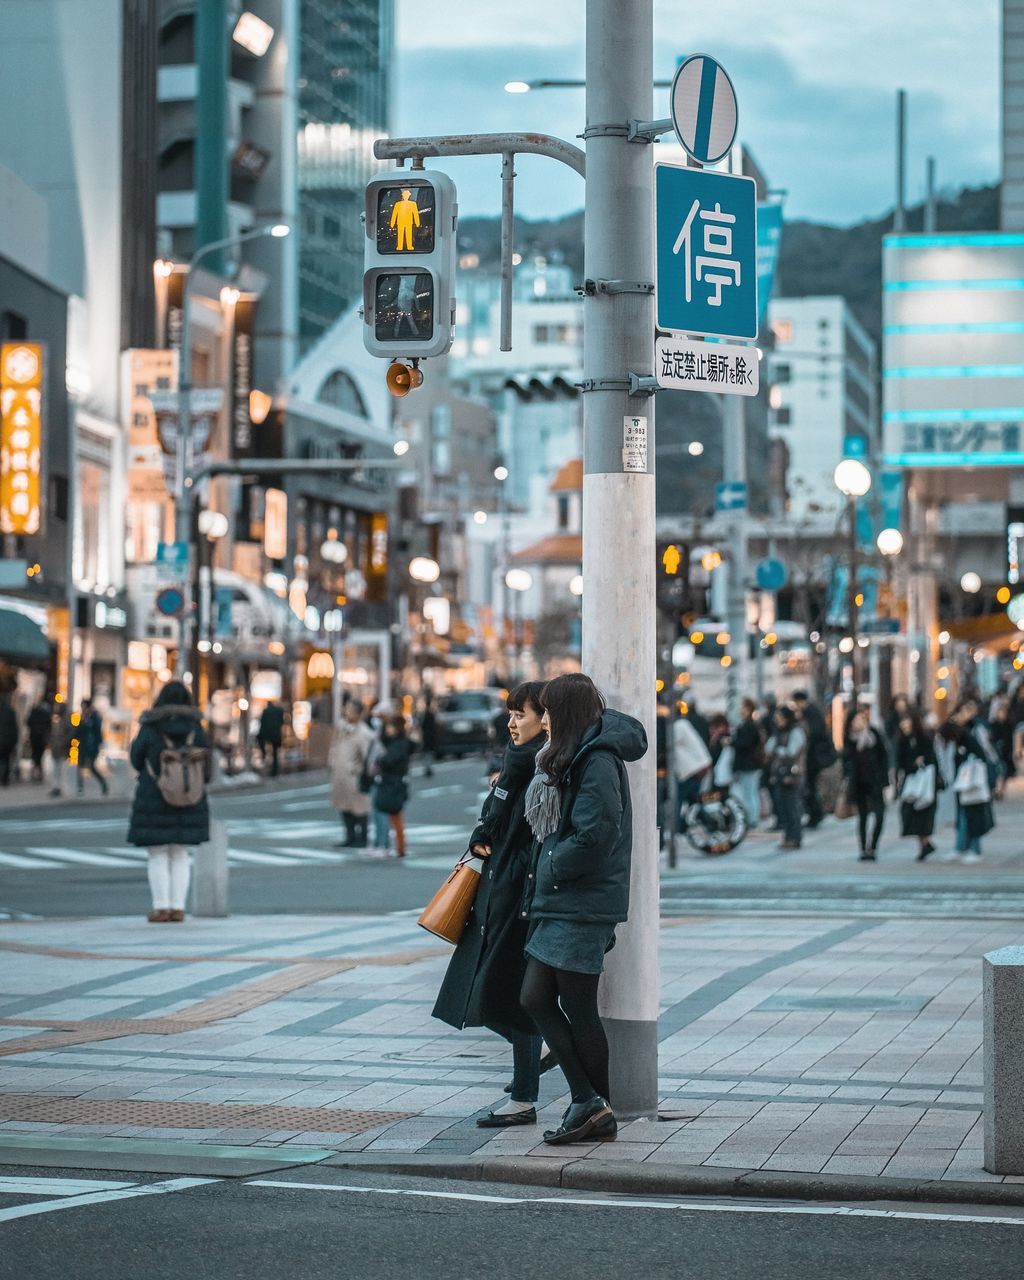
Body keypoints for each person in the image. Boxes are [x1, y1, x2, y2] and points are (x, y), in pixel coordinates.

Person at [519, 672, 647, 1146]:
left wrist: (551, 863)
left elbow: (597, 833)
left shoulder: (596, 761)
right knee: (539, 998)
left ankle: (593, 1105)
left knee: (572, 1004)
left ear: (567, 713)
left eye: (549, 710)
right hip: (564, 899)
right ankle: (592, 1104)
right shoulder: (575, 754)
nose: (545, 718)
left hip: (580, 901)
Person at [433, 681, 548, 1128]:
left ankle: (525, 1094)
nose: (512, 722)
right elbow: (494, 821)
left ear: (547, 718)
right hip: (498, 889)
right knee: (489, 990)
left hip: (517, 895)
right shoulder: (517, 760)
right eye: (511, 713)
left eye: (521, 714)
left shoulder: (542, 766)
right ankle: (535, 1065)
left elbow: (538, 836)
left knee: (503, 992)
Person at [126, 680, 211, 923]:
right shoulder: (196, 727)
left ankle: (161, 907)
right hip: (190, 797)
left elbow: (135, 758)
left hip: (155, 795)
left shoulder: (151, 726)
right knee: (181, 853)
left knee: (158, 854)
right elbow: (208, 767)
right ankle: (178, 907)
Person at [949, 698, 997, 862]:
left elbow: (985, 752)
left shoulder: (976, 729)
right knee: (963, 814)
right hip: (963, 778)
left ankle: (974, 849)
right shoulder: (959, 730)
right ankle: (961, 847)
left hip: (974, 778)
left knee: (973, 813)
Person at [843, 709, 890, 862]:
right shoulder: (849, 739)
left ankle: (873, 846)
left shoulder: (874, 734)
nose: (859, 723)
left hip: (875, 782)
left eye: (861, 719)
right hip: (859, 784)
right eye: (856, 720)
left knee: (880, 815)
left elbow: (884, 756)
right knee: (862, 817)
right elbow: (846, 761)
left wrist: (885, 778)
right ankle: (863, 849)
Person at [894, 711, 941, 861]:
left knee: (924, 814)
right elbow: (901, 763)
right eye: (902, 721)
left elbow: (932, 760)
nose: (904, 724)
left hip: (926, 783)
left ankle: (925, 844)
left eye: (907, 721)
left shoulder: (924, 739)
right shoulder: (902, 741)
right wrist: (913, 764)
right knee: (910, 813)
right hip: (911, 784)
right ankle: (925, 844)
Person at [328, 701, 374, 847]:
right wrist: (332, 761)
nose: (348, 713)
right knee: (344, 806)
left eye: (351, 710)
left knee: (359, 807)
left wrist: (358, 769)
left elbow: (368, 756)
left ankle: (362, 838)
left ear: (359, 714)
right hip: (340, 773)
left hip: (354, 775)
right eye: (347, 709)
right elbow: (334, 746)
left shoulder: (364, 732)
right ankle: (350, 836)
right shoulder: (341, 728)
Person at [369, 714, 412, 857]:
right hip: (393, 783)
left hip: (393, 784)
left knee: (393, 814)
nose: (388, 730)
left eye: (390, 727)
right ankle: (397, 847)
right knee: (393, 815)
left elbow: (389, 759)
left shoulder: (400, 744)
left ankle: (398, 847)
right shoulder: (395, 742)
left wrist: (380, 760)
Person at [765, 705, 806, 850]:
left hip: (793, 774)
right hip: (779, 774)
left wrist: (778, 750)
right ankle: (788, 836)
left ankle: (795, 837)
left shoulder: (796, 731)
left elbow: (791, 751)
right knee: (783, 806)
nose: (777, 721)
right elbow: (768, 748)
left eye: (780, 718)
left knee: (792, 807)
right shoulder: (778, 733)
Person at [791, 690, 834, 829]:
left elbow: (814, 733)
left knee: (810, 786)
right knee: (810, 786)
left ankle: (815, 814)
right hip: (812, 756)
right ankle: (815, 814)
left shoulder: (810, 712)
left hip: (814, 757)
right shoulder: (811, 711)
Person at [732, 697, 765, 827]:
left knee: (749, 793)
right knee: (750, 792)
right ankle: (752, 818)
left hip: (749, 764)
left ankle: (752, 819)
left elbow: (744, 744)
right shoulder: (749, 724)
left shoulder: (749, 725)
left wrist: (732, 742)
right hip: (750, 764)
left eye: (743, 707)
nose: (740, 710)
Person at [77, 698, 109, 797]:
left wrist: (99, 745)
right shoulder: (83, 717)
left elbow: (97, 732)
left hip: (92, 746)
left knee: (91, 767)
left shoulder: (94, 717)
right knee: (80, 766)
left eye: (84, 706)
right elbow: (79, 731)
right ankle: (80, 788)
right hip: (83, 746)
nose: (82, 709)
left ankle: (103, 784)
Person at [256, 699, 285, 776]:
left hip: (267, 734)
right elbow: (282, 722)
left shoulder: (265, 711)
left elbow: (262, 723)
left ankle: (264, 754)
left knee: (261, 742)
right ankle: (274, 771)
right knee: (275, 754)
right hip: (276, 735)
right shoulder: (279, 711)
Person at [26, 697, 52, 783]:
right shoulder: (45, 714)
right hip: (41, 739)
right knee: (39, 757)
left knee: (35, 756)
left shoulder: (34, 712)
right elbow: (49, 726)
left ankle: (35, 774)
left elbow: (28, 722)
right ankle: (38, 775)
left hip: (35, 738)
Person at [0, 692, 18, 787]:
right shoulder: (10, 711)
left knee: (6, 761)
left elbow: (14, 729)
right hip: (6, 741)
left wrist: (13, 742)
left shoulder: (9, 712)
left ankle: (4, 779)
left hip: (6, 742)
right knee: (5, 761)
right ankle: (4, 779)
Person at [419, 696, 438, 778]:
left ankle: (427, 768)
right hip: (431, 736)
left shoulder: (424, 715)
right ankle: (429, 768)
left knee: (426, 752)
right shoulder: (432, 715)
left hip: (426, 736)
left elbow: (422, 726)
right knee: (429, 752)